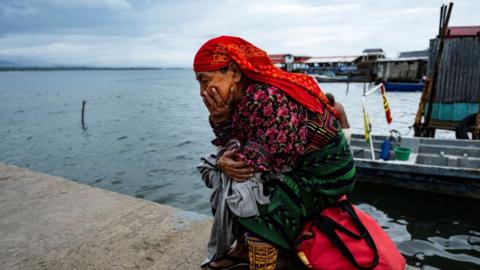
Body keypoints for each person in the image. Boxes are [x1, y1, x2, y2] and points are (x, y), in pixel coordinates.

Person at [194, 36, 355, 269]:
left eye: (205, 80)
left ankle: (264, 253)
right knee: (224, 175)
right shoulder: (242, 98)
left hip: (325, 178)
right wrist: (222, 129)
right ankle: (243, 246)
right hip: (294, 165)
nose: (201, 92)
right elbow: (237, 146)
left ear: (235, 73)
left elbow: (248, 165)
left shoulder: (266, 98)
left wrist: (223, 154)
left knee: (246, 191)